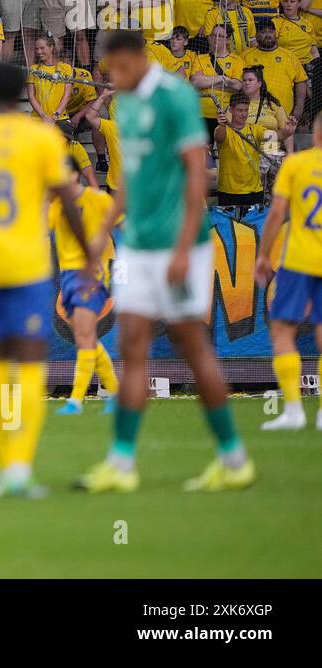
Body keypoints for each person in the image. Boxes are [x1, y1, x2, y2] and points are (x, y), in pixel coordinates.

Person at [75, 31, 255, 494]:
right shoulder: (128, 106)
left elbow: (198, 173)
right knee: (132, 344)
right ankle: (121, 462)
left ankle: (233, 458)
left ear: (135, 58)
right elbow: (130, 178)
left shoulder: (175, 97)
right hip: (137, 244)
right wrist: (102, 232)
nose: (111, 78)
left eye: (115, 68)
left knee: (191, 346)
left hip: (181, 245)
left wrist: (181, 249)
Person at [0, 61, 95, 500]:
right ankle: (21, 467)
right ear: (25, 92)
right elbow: (68, 202)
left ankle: (4, 467)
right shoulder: (41, 138)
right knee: (29, 364)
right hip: (27, 265)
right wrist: (89, 253)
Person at [253, 114, 322, 430]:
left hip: (298, 260)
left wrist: (263, 255)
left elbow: (277, 212)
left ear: (316, 133)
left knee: (282, 329)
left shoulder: (296, 164)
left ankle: (293, 409)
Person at [50, 165, 120, 415]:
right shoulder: (58, 205)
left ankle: (75, 400)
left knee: (84, 336)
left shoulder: (98, 199)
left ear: (73, 174)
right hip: (67, 277)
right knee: (86, 336)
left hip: (91, 275)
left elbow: (123, 224)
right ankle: (114, 392)